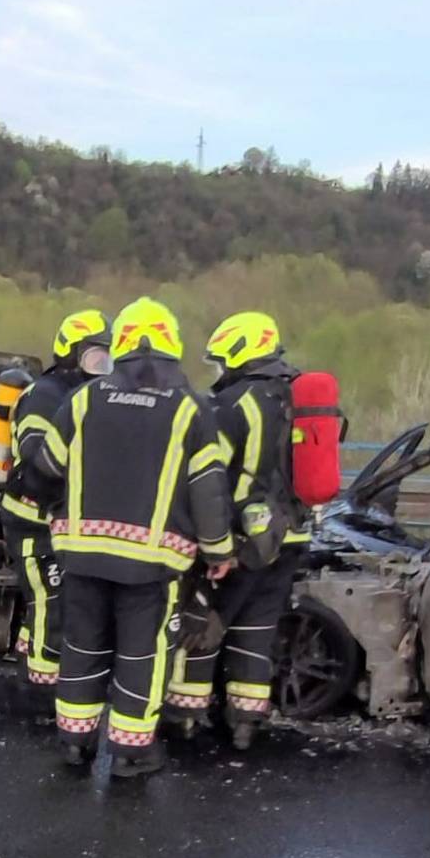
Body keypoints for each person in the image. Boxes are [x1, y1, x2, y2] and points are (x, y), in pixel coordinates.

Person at [21, 297, 235, 777]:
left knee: (83, 647)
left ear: (120, 347)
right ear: (172, 347)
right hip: (151, 565)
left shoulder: (83, 399)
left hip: (81, 554)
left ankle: (74, 742)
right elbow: (209, 489)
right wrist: (219, 549)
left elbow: (45, 467)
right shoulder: (190, 409)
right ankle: (131, 754)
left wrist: (56, 507)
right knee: (143, 654)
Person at [166, 312, 309, 750]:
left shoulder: (230, 406)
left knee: (201, 624)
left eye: (220, 361)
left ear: (239, 355)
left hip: (238, 542)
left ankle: (185, 718)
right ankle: (246, 724)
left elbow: (207, 476)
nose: (218, 372)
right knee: (256, 629)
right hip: (291, 539)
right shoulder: (297, 398)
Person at [0, 310, 112, 685]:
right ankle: (45, 684)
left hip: (58, 519)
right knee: (51, 601)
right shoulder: (45, 396)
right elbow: (37, 458)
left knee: (46, 604)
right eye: (96, 356)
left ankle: (29, 662)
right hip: (32, 519)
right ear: (70, 353)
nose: (104, 366)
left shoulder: (84, 394)